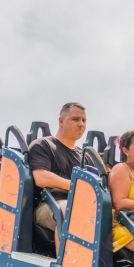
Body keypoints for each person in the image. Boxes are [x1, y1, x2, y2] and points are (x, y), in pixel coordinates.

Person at [29, 103, 86, 242]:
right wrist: (77, 186)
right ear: (61, 121)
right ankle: (66, 262)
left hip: (81, 205)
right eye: (75, 119)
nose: (81, 124)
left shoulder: (86, 157)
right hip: (48, 205)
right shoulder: (43, 145)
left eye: (84, 120)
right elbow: (41, 178)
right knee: (71, 211)